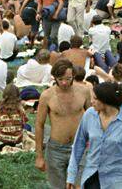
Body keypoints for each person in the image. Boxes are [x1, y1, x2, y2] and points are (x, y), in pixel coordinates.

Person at [66, 81, 122, 189]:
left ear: (106, 100)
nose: (91, 102)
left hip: (120, 182)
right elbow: (78, 145)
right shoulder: (89, 115)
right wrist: (71, 175)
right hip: (92, 178)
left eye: (95, 99)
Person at [36, 59, 91, 189]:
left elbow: (93, 118)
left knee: (80, 185)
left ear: (73, 76)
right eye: (60, 79)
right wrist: (39, 156)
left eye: (68, 78)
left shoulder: (84, 91)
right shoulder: (47, 96)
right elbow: (39, 124)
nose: (65, 83)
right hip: (56, 149)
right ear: (54, 78)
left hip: (80, 146)